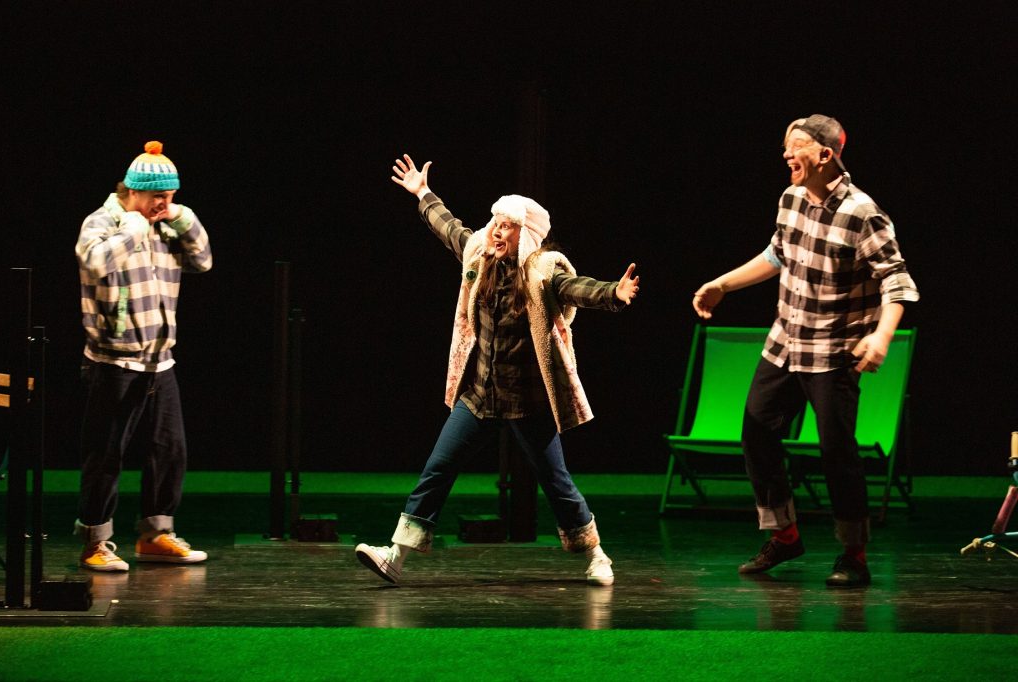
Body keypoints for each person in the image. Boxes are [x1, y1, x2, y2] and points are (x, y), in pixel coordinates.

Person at [355, 154, 640, 586]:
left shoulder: (542, 271)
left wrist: (614, 293)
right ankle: (396, 555)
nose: (496, 231)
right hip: (479, 396)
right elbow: (450, 228)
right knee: (437, 468)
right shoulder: (479, 255)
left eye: (507, 226)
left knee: (555, 481)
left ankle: (597, 554)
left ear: (525, 236)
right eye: (495, 223)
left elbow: (576, 289)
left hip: (527, 401)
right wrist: (423, 193)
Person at [692, 115, 919, 587]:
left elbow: (897, 281)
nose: (786, 155)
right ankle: (785, 535)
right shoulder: (790, 198)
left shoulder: (862, 213)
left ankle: (854, 553)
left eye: (795, 146)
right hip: (785, 342)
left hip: (832, 351)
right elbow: (777, 254)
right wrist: (723, 284)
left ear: (825, 154)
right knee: (756, 430)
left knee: (836, 451)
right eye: (785, 146)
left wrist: (881, 336)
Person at [74, 141, 212, 572]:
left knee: (169, 450)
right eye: (158, 197)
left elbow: (203, 261)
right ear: (133, 191)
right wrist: (133, 229)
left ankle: (155, 535)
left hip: (160, 360)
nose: (163, 205)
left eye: (170, 197)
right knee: (106, 454)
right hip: (113, 361)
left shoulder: (166, 223)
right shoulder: (103, 222)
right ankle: (95, 541)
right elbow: (94, 263)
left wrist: (182, 218)